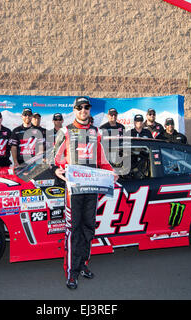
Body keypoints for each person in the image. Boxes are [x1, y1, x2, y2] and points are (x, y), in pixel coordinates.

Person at [51, 96, 116, 290]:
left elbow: (102, 159)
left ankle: (83, 264)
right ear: (74, 110)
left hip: (92, 189)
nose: (83, 110)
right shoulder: (65, 131)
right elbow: (56, 158)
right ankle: (71, 272)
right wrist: (61, 169)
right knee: (73, 230)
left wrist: (112, 172)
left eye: (86, 107)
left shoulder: (96, 132)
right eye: (79, 107)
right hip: (73, 190)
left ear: (89, 110)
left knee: (88, 227)